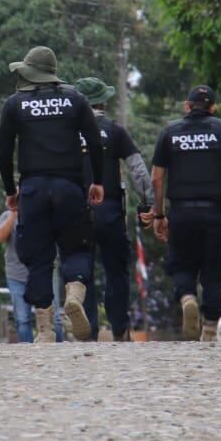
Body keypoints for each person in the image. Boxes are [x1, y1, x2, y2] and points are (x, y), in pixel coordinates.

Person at [0, 46, 104, 342]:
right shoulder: (76, 100)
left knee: (39, 257)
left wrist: (10, 190)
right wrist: (97, 181)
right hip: (70, 187)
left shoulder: (15, 104)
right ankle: (74, 294)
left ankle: (44, 330)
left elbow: (4, 153)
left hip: (32, 190)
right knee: (78, 248)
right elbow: (94, 145)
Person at [150, 85, 221, 342]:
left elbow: (157, 178)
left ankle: (186, 298)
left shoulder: (169, 133)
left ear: (187, 105)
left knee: (181, 263)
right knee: (213, 270)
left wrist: (160, 214)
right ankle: (209, 328)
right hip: (215, 214)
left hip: (181, 213)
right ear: (213, 107)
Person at [74, 76, 153, 341]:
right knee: (116, 271)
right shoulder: (115, 131)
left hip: (77, 212)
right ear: (103, 103)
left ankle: (88, 331)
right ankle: (120, 329)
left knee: (79, 269)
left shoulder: (67, 132)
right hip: (110, 211)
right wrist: (147, 204)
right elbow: (139, 171)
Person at [0, 206, 35, 343]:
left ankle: (56, 349)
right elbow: (0, 236)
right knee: (22, 319)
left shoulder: (39, 211)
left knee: (53, 317)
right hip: (15, 275)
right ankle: (27, 350)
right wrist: (13, 214)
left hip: (39, 271)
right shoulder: (6, 215)